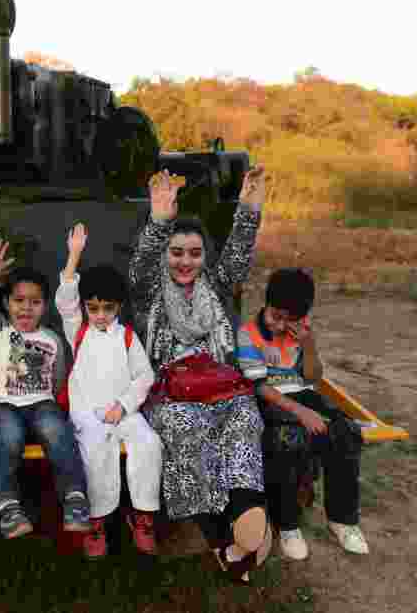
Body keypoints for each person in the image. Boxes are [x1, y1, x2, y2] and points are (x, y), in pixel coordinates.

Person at [129, 165, 270, 583]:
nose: (185, 261)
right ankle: (225, 534)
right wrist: (158, 219)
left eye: (194, 253)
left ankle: (244, 516)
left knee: (244, 419)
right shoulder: (150, 289)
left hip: (222, 386)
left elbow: (240, 252)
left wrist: (248, 207)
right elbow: (140, 266)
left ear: (204, 256)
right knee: (187, 430)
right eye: (176, 252)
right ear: (164, 256)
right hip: (172, 395)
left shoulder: (219, 285)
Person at [237, 267, 369, 561]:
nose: (282, 325)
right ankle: (288, 525)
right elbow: (260, 388)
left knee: (346, 431)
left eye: (290, 319)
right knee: (288, 438)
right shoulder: (248, 334)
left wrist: (309, 344)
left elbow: (312, 378)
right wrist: (303, 414)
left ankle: (342, 520)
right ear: (266, 303)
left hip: (300, 393)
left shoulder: (302, 330)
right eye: (276, 316)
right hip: (271, 398)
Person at [54, 223, 160, 558]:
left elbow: (144, 376)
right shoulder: (78, 331)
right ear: (87, 307)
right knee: (95, 454)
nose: (101, 316)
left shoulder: (126, 336)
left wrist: (125, 405)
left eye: (108, 308)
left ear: (118, 307)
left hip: (123, 411)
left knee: (149, 444)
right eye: (94, 308)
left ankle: (142, 517)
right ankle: (95, 523)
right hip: (88, 414)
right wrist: (74, 256)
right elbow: (65, 299)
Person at [0, 240, 92, 539]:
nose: (26, 307)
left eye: (35, 302)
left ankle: (75, 499)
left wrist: (50, 402)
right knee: (9, 436)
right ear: (7, 304)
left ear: (44, 306)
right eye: (19, 300)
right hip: (2, 406)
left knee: (56, 427)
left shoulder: (51, 339)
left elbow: (58, 378)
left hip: (41, 403)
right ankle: (8, 506)